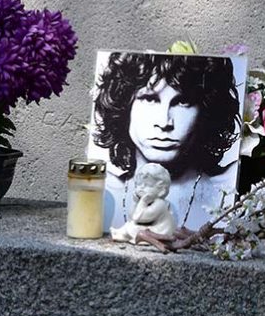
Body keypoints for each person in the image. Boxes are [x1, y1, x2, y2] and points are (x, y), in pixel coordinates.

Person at [90, 52, 242, 231]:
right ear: (124, 105)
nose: (164, 122)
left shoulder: (230, 189)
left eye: (183, 101)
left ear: (206, 110)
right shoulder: (99, 188)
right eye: (149, 99)